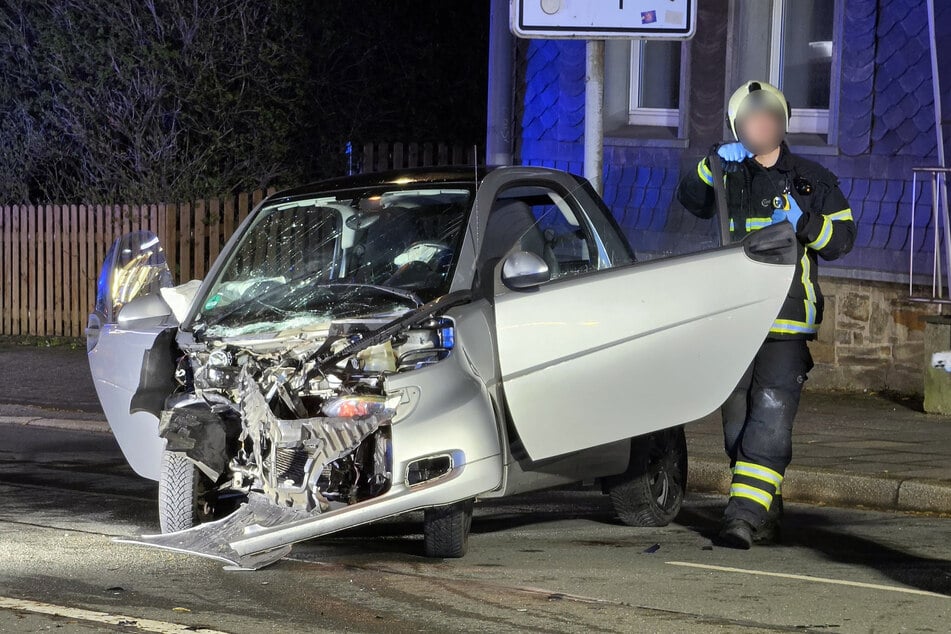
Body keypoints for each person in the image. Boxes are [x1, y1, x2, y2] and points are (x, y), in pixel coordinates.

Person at [676, 81, 856, 549]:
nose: (761, 126)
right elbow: (689, 201)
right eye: (751, 121)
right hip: (733, 320)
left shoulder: (812, 180)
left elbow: (840, 241)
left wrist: (804, 221)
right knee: (737, 426)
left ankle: (740, 517)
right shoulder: (728, 171)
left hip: (785, 323)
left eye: (768, 118)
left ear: (781, 123)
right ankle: (765, 508)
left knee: (770, 419)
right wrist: (709, 163)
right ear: (739, 127)